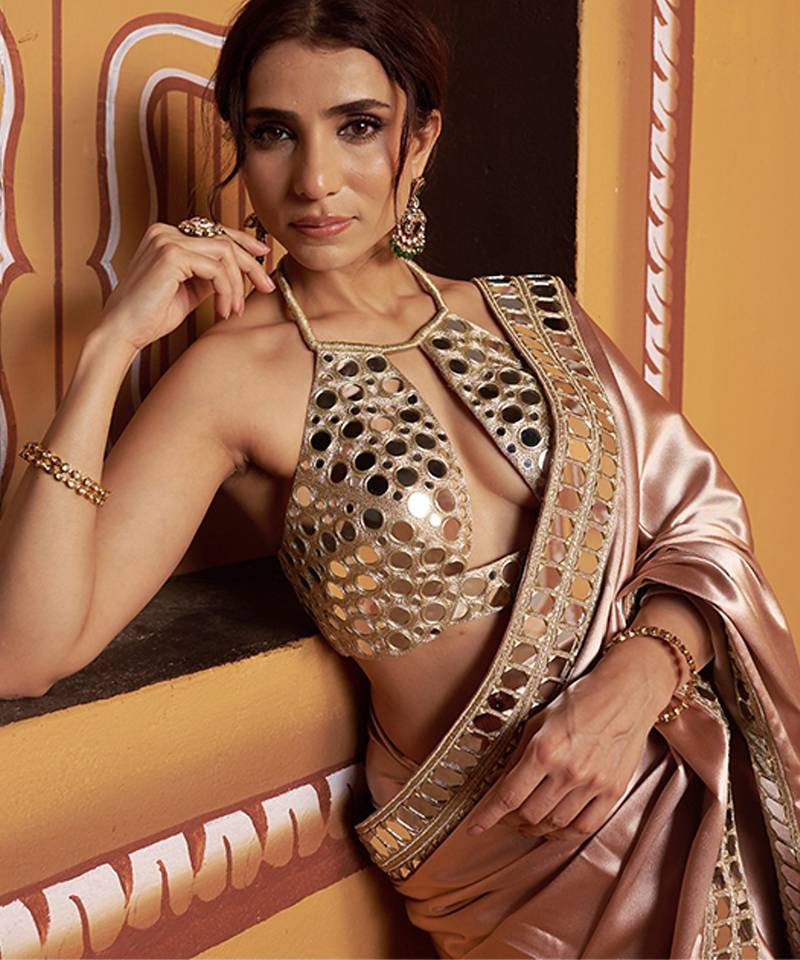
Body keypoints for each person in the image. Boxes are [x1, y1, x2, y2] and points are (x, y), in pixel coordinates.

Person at [0, 0, 798, 956]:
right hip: (523, 874)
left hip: (694, 791)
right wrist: (108, 351)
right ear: (240, 147)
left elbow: (705, 526)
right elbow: (25, 651)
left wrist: (638, 678)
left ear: (419, 141)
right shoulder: (232, 380)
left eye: (357, 126)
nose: (315, 179)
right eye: (273, 133)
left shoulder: (534, 318)